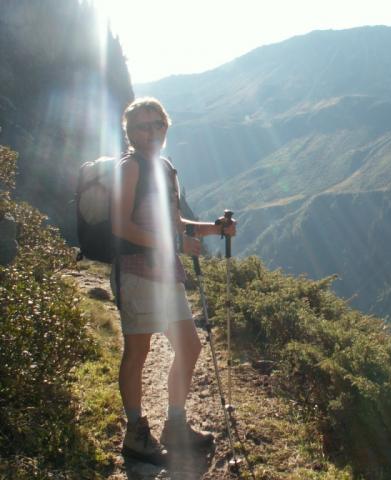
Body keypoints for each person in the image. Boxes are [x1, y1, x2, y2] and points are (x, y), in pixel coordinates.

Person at [110, 97, 236, 464]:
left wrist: (215, 228)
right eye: (142, 126)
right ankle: (135, 433)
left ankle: (175, 425)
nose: (151, 132)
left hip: (166, 271)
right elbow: (121, 226)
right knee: (138, 351)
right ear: (129, 132)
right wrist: (175, 243)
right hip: (136, 270)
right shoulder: (130, 168)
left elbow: (176, 223)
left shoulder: (165, 167)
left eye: (158, 125)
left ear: (166, 126)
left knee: (189, 346)